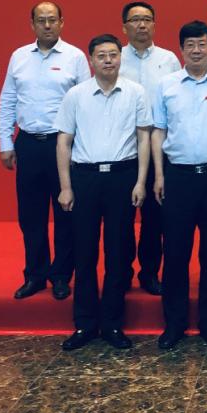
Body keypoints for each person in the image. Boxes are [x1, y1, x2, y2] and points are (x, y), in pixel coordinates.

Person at [55, 34, 152, 351]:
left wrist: (140, 181)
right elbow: (64, 142)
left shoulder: (136, 92)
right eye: (101, 55)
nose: (108, 60)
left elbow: (143, 138)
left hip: (123, 177)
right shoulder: (76, 95)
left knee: (118, 252)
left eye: (113, 54)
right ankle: (84, 323)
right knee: (84, 252)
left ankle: (112, 323)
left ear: (120, 57)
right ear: (91, 60)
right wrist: (66, 187)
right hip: (84, 178)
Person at [0, 1, 89, 301]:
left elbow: (86, 104)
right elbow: (8, 99)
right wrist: (6, 142)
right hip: (28, 143)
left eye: (52, 19)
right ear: (32, 24)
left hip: (63, 144)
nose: (47, 25)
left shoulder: (75, 57)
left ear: (62, 22)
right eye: (41, 20)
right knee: (30, 215)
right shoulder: (19, 56)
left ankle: (61, 276)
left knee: (66, 214)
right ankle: (35, 275)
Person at [151, 21, 207, 350]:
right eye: (190, 45)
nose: (196, 50)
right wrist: (159, 175)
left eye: (202, 44)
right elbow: (158, 131)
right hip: (178, 176)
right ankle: (174, 324)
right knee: (175, 253)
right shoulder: (166, 85)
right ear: (181, 49)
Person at [120, 1, 181, 297]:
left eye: (147, 19)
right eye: (135, 20)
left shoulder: (169, 60)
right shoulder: (115, 57)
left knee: (155, 218)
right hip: (122, 150)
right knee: (121, 218)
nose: (141, 25)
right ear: (124, 27)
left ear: (155, 25)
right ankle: (121, 272)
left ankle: (149, 272)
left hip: (158, 151)